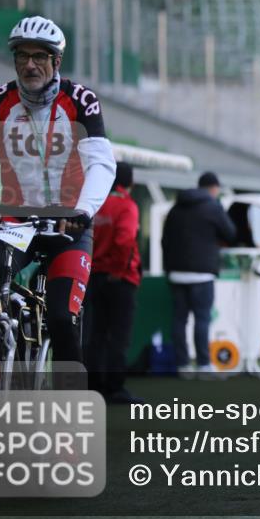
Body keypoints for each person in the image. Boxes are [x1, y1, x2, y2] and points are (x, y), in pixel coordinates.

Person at [0, 16, 116, 364]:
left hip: (67, 224)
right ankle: (0, 339)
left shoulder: (80, 100)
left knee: (63, 319)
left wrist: (83, 211)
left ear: (56, 61)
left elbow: (102, 162)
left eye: (40, 56)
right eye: (22, 56)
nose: (30, 64)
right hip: (15, 220)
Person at [162, 171, 236, 378]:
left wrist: (169, 269)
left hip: (176, 273)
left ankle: (183, 366)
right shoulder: (214, 207)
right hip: (202, 274)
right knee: (202, 320)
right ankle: (204, 365)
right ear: (214, 188)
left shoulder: (175, 208)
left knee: (179, 320)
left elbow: (164, 241)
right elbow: (230, 234)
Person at [85, 162, 142, 403]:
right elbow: (125, 240)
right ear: (129, 182)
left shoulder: (95, 205)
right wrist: (118, 271)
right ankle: (114, 388)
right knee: (118, 336)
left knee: (95, 335)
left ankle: (94, 386)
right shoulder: (126, 206)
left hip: (93, 277)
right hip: (119, 279)